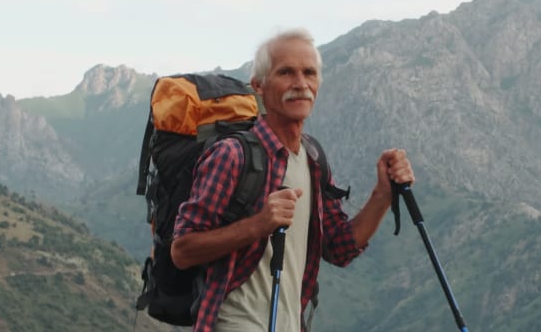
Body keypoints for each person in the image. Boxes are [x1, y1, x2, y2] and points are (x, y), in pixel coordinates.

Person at [170, 28, 415, 332]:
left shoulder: (313, 158)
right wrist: (259, 225)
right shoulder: (231, 156)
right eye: (286, 72)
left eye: (309, 73)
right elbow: (182, 250)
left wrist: (383, 195)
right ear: (258, 85)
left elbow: (340, 248)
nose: (300, 84)